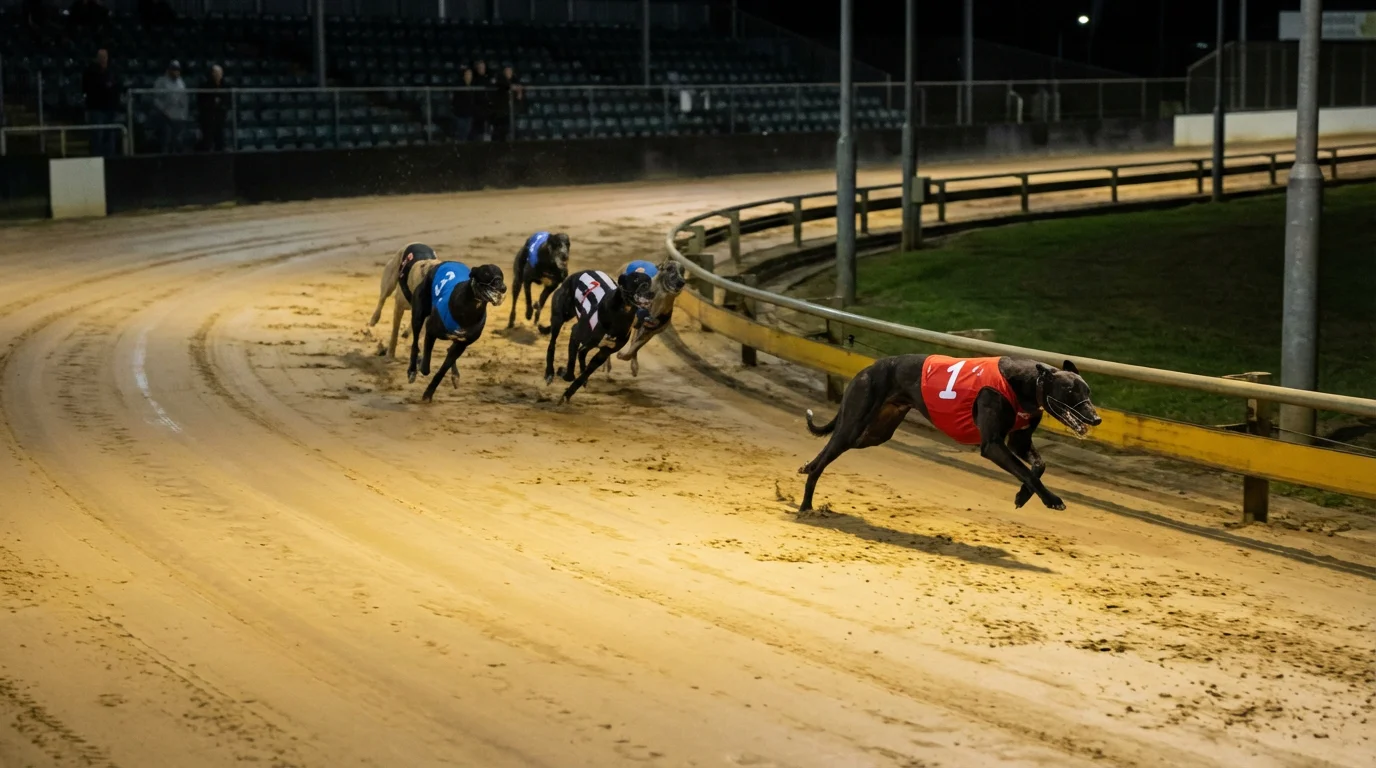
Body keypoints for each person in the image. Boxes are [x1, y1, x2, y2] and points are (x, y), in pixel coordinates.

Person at [81, 48, 121, 156]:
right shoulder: (90, 71)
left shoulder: (112, 70)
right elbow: (86, 88)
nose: (103, 59)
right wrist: (104, 85)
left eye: (105, 57)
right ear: (97, 58)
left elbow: (117, 85)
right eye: (101, 57)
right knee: (97, 135)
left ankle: (110, 159)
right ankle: (96, 158)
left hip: (110, 108)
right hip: (96, 108)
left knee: (110, 135)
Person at [152, 60, 189, 154]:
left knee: (178, 141)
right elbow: (156, 99)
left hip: (178, 117)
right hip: (165, 117)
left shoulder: (181, 83)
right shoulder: (161, 81)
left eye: (177, 70)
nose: (176, 72)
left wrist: (183, 114)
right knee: (166, 140)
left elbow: (184, 100)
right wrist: (163, 111)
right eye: (173, 69)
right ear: (169, 70)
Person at [197, 64, 229, 152]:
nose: (218, 75)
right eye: (216, 73)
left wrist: (221, 103)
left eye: (220, 73)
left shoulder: (224, 85)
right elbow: (201, 102)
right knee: (207, 141)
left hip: (220, 117)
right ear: (212, 74)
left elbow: (226, 100)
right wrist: (213, 102)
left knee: (220, 139)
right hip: (208, 118)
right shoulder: (205, 86)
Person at [492, 65, 523, 142]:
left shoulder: (515, 80)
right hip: (502, 110)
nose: (508, 73)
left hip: (512, 109)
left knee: (512, 128)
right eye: (507, 71)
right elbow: (501, 85)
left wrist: (519, 92)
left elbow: (519, 93)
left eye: (510, 71)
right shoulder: (500, 80)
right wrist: (511, 87)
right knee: (501, 128)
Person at [450, 67, 477, 141]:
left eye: (470, 74)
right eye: (467, 74)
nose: (469, 76)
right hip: (460, 113)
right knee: (461, 133)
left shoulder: (473, 85)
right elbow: (454, 99)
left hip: (469, 113)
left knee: (467, 132)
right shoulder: (459, 85)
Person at [471, 60, 492, 141]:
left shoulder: (488, 78)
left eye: (483, 67)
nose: (482, 69)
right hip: (477, 108)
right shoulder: (474, 80)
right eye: (480, 67)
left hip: (487, 107)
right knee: (477, 127)